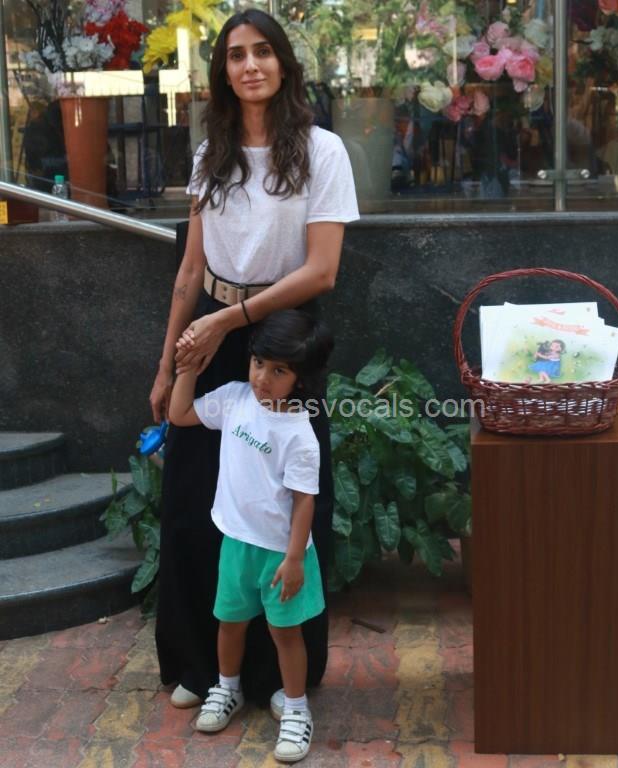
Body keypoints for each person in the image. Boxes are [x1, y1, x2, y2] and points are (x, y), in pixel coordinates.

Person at [148, 7, 359, 710]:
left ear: (283, 64)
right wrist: (168, 362)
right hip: (209, 332)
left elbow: (323, 269)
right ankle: (203, 668)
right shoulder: (212, 153)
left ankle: (280, 678)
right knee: (192, 498)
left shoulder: (323, 151)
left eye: (263, 51)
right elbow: (190, 269)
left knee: (287, 500)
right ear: (223, 72)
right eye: (236, 55)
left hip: (283, 342)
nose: (250, 65)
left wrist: (230, 322)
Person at [169, 310, 333, 763]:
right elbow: (179, 414)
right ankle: (227, 689)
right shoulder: (234, 399)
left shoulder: (299, 433)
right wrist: (186, 368)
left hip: (281, 555)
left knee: (286, 634)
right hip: (235, 544)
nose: (262, 378)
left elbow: (305, 501)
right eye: (259, 363)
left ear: (300, 379)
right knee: (230, 622)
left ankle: (296, 709)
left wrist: (295, 558)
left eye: (279, 371)